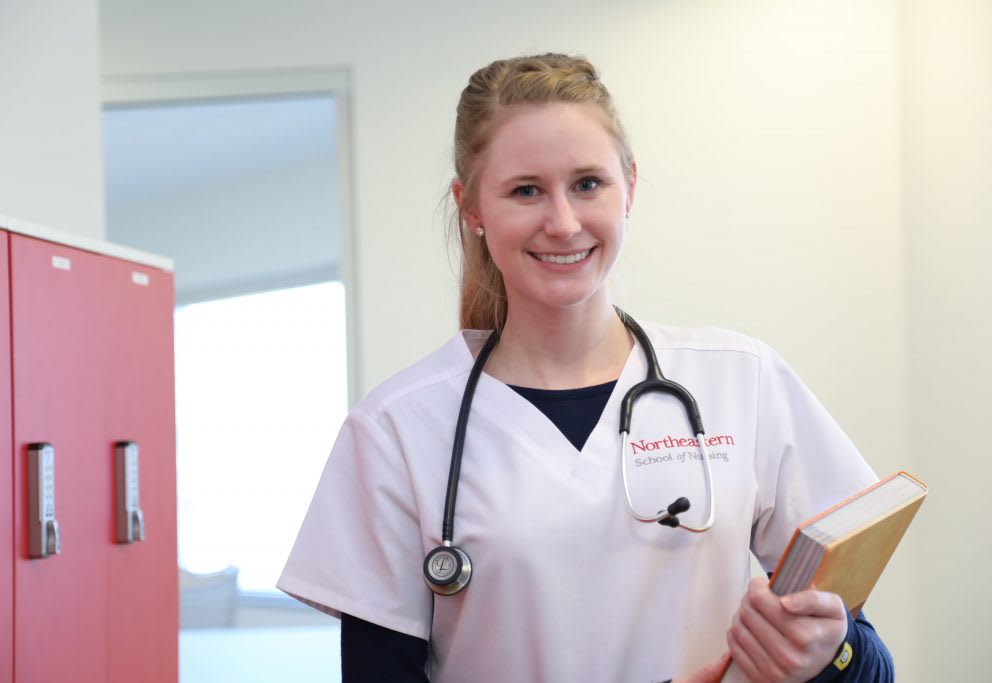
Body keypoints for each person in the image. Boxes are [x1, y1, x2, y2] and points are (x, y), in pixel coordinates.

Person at [278, 53, 894, 682]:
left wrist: (831, 653)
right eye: (525, 190)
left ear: (629, 184)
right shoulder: (395, 431)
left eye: (587, 184)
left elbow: (870, 666)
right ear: (472, 209)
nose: (563, 222)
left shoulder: (742, 382)